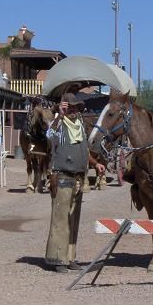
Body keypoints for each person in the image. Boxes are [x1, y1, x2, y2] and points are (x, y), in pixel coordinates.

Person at [45, 93, 105, 273]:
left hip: (78, 178)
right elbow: (50, 136)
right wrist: (60, 115)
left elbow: (84, 150)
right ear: (64, 107)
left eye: (75, 107)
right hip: (62, 176)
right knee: (60, 219)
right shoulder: (59, 124)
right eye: (69, 107)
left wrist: (95, 164)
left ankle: (70, 258)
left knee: (73, 220)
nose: (73, 110)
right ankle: (57, 259)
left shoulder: (78, 125)